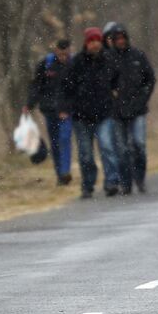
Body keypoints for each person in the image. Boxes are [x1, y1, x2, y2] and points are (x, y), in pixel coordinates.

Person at [61, 27, 121, 199]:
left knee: (107, 147)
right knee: (85, 154)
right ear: (86, 43)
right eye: (91, 41)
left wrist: (115, 93)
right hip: (81, 116)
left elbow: (117, 79)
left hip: (104, 113)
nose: (95, 44)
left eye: (97, 41)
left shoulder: (109, 60)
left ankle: (111, 182)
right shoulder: (77, 63)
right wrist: (67, 106)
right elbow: (66, 86)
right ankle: (88, 184)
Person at [105, 23, 155, 194]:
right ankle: (126, 183)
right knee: (122, 149)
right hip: (117, 111)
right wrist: (111, 94)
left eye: (122, 38)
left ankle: (140, 178)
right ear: (112, 41)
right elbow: (103, 82)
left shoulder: (138, 55)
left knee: (139, 144)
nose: (120, 41)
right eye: (116, 38)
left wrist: (143, 98)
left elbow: (150, 79)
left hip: (138, 109)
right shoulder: (107, 58)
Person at [26, 39, 73, 185]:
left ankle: (65, 171)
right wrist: (29, 104)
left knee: (64, 139)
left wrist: (69, 107)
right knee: (55, 143)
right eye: (61, 53)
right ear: (56, 50)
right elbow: (36, 86)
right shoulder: (46, 64)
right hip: (49, 110)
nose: (63, 56)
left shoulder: (74, 64)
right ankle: (60, 174)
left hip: (67, 110)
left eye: (66, 54)